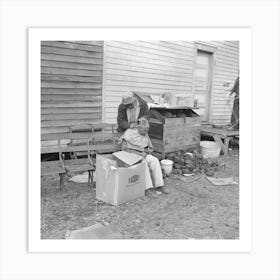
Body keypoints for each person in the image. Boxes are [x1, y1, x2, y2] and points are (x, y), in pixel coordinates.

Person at [119, 118, 169, 199]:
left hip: (142, 154)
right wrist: (139, 153)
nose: (146, 132)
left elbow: (149, 147)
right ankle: (147, 189)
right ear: (139, 127)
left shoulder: (144, 134)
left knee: (154, 160)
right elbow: (125, 149)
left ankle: (159, 185)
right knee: (143, 163)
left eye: (147, 130)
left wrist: (146, 152)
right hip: (130, 155)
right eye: (144, 130)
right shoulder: (129, 133)